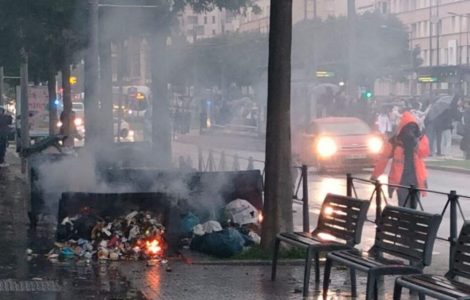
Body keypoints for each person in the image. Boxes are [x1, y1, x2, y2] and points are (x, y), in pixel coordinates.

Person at [371, 112, 430, 208]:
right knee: (408, 208)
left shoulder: (419, 138)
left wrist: (375, 175)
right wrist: (375, 175)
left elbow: (424, 153)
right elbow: (383, 159)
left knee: (407, 207)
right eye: (408, 128)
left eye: (412, 128)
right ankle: (408, 222)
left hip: (412, 180)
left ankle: (407, 222)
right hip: (405, 180)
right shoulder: (395, 142)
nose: (409, 131)